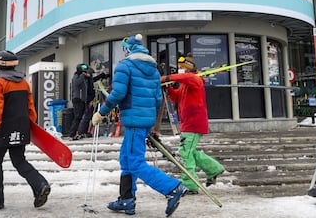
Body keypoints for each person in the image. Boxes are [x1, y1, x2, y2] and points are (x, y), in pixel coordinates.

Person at [92, 34, 186, 217]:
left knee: (135, 162)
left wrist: (101, 113)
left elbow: (118, 93)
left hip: (134, 122)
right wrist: (153, 126)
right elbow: (158, 100)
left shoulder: (125, 66)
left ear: (128, 49)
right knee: (126, 159)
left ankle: (173, 188)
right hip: (144, 121)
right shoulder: (154, 70)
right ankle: (126, 199)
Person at [0, 50, 50, 210]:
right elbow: (30, 108)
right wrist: (30, 126)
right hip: (21, 129)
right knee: (19, 161)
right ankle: (40, 185)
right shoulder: (24, 83)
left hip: (2, 131)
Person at [161, 53, 225, 194]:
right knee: (191, 152)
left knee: (184, 153)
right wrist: (169, 88)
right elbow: (176, 96)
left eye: (182, 67)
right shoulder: (185, 84)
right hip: (187, 123)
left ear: (188, 68)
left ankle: (190, 185)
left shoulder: (196, 79)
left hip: (194, 123)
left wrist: (167, 78)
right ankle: (214, 169)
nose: (180, 70)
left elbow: (186, 77)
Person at [73, 67, 109, 140]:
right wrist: (89, 101)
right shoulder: (85, 81)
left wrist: (103, 75)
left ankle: (83, 131)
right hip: (87, 101)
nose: (92, 75)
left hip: (89, 100)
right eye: (91, 74)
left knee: (87, 116)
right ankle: (81, 132)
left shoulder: (88, 80)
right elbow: (86, 92)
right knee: (86, 116)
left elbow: (94, 79)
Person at [68, 63, 89, 139]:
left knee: (79, 117)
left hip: (82, 99)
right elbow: (77, 82)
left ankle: (76, 132)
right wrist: (83, 75)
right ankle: (71, 134)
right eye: (83, 68)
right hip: (78, 99)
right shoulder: (76, 76)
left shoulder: (83, 77)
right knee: (77, 117)